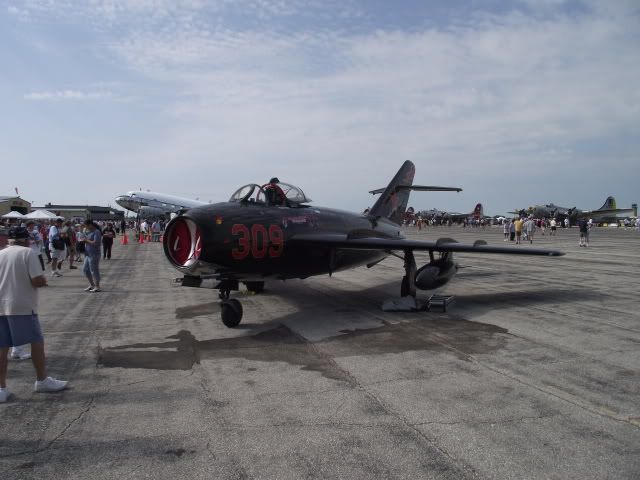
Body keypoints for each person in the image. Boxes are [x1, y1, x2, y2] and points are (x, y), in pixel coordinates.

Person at [0, 226, 68, 403]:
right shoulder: (27, 253)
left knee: (2, 347)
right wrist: (44, 281)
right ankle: (42, 380)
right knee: (36, 341)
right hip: (21, 305)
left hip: (1, 305)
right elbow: (37, 280)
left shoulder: (1, 253)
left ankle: (1, 388)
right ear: (26, 240)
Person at [82, 220, 102, 292]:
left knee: (94, 270)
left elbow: (97, 243)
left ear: (90, 225)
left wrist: (86, 240)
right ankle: (92, 285)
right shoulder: (88, 232)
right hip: (88, 254)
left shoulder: (97, 232)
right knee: (85, 270)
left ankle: (97, 286)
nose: (86, 228)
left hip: (94, 254)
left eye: (86, 226)